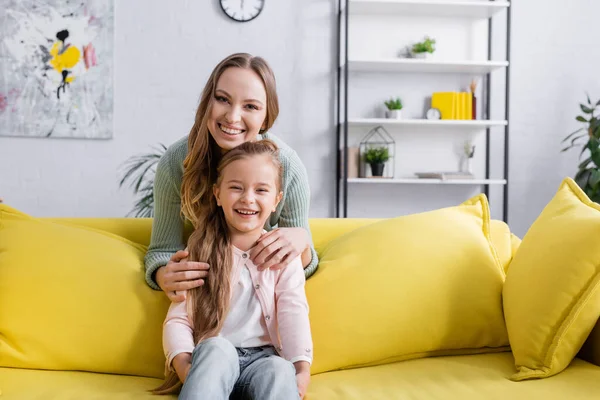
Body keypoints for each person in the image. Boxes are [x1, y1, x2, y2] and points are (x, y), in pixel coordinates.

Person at [144, 53, 318, 302]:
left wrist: (301, 241)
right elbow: (162, 250)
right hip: (207, 295)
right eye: (223, 99)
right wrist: (164, 275)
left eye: (251, 106)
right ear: (207, 102)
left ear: (266, 117)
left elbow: (304, 267)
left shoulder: (287, 166)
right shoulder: (176, 162)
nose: (233, 117)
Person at [152, 140, 312, 399]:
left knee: (279, 369)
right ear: (217, 194)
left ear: (276, 200)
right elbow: (179, 319)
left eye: (261, 190)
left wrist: (301, 368)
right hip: (213, 359)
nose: (248, 198)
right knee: (216, 349)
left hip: (264, 360)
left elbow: (294, 312)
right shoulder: (199, 252)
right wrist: (184, 366)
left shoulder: (284, 256)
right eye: (236, 187)